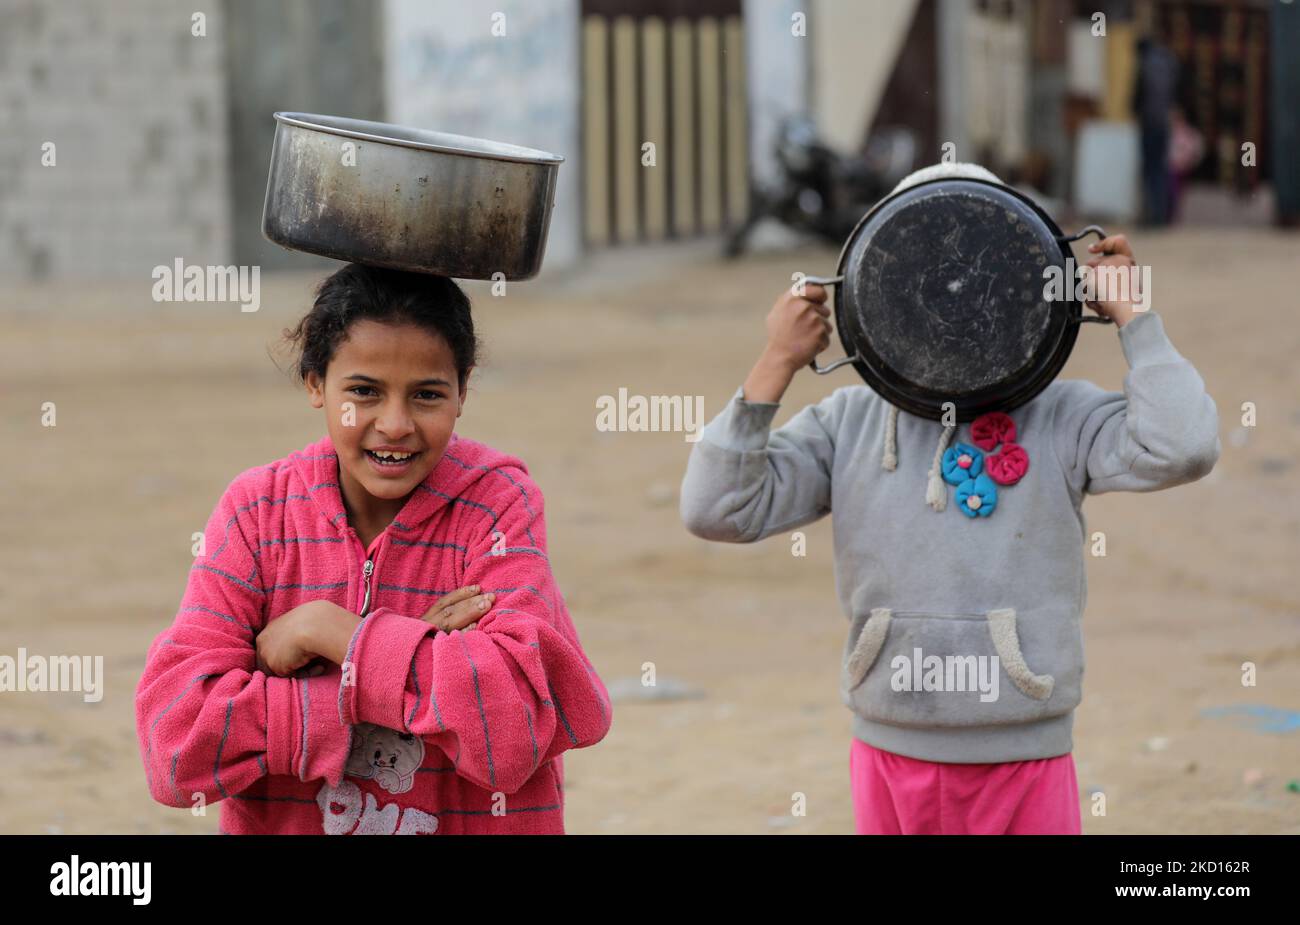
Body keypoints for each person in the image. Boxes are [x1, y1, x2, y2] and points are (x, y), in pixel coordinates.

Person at [678, 162, 1221, 834]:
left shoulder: (1061, 418)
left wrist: (1134, 315)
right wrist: (775, 361)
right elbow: (713, 506)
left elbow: (1186, 444)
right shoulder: (845, 424)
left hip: (1026, 754)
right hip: (889, 749)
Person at [134, 263, 611, 834]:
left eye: (427, 394)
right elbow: (176, 746)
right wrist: (400, 662)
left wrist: (332, 634)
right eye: (363, 392)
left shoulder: (497, 506)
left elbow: (514, 727)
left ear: (463, 388)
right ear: (315, 382)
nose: (395, 424)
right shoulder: (258, 512)